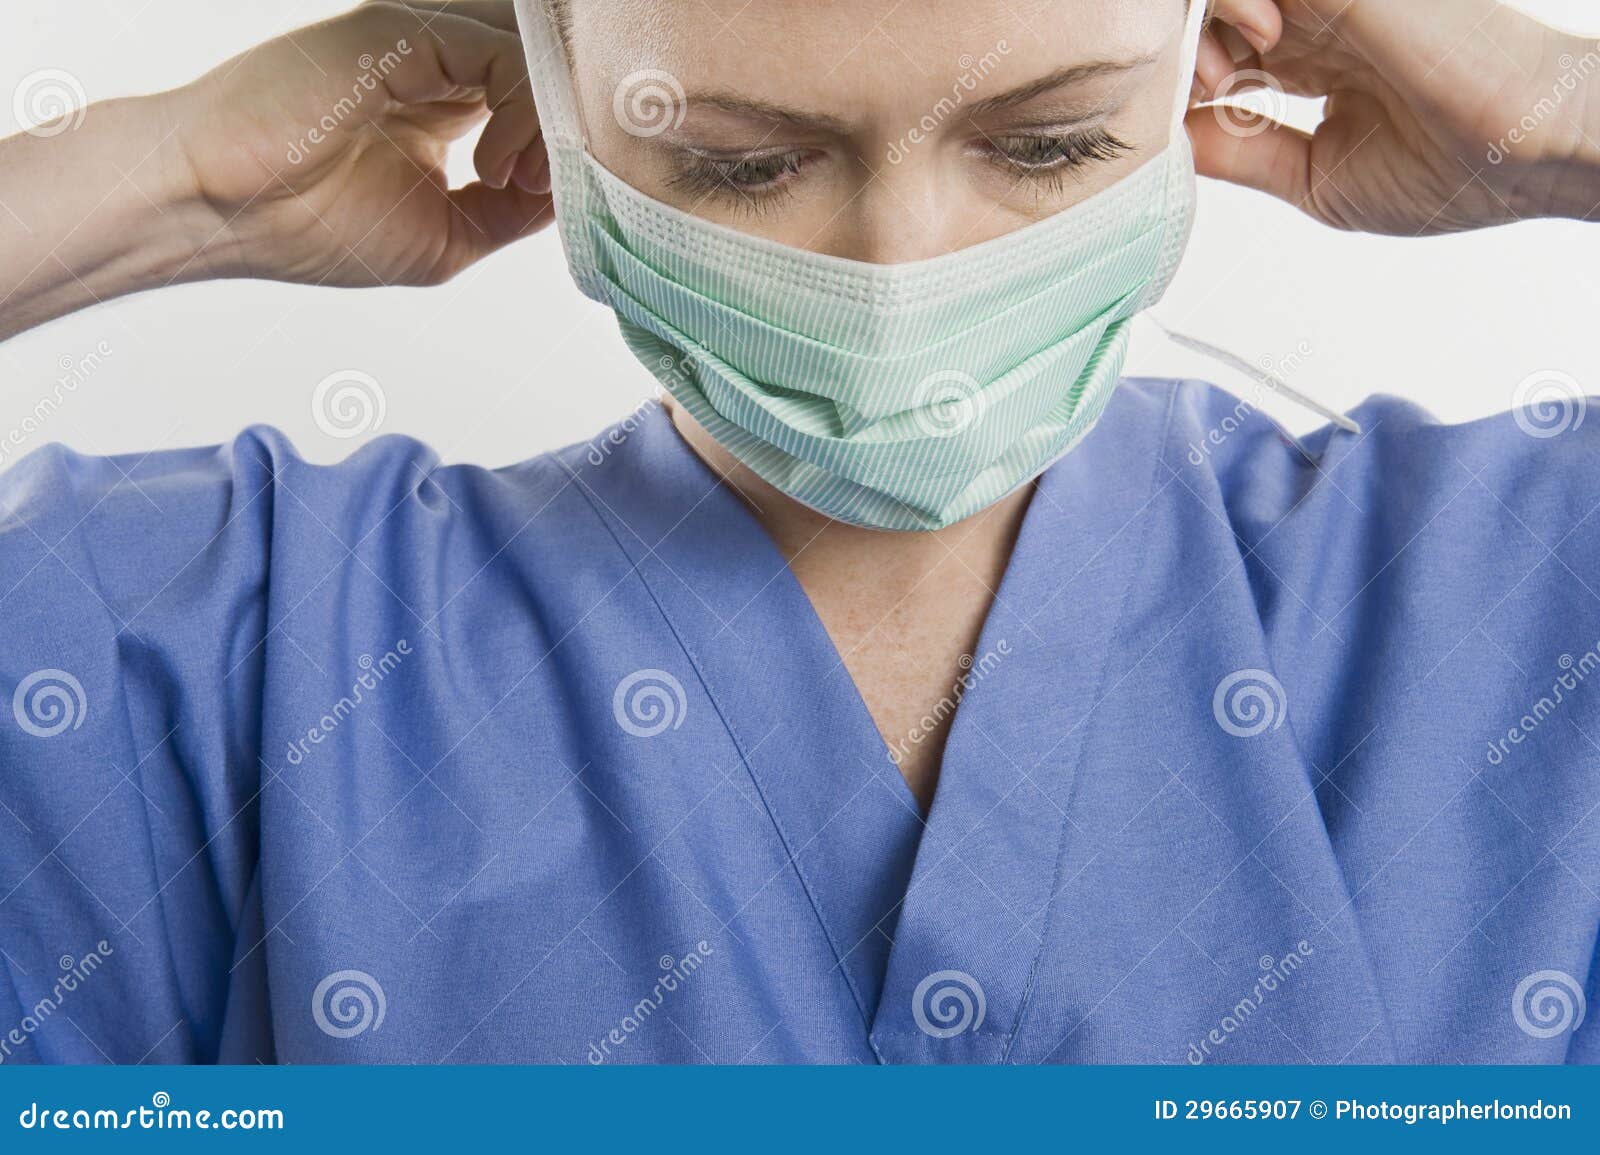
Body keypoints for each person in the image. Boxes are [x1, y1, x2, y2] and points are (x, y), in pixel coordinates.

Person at [0, 0, 1596, 1065]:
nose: (901, 274)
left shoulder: (1524, 591)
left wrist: (1557, 113)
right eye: (741, 164)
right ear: (556, 99)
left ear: (1201, 55)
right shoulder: (209, 655)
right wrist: (173, 179)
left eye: (1050, 144)